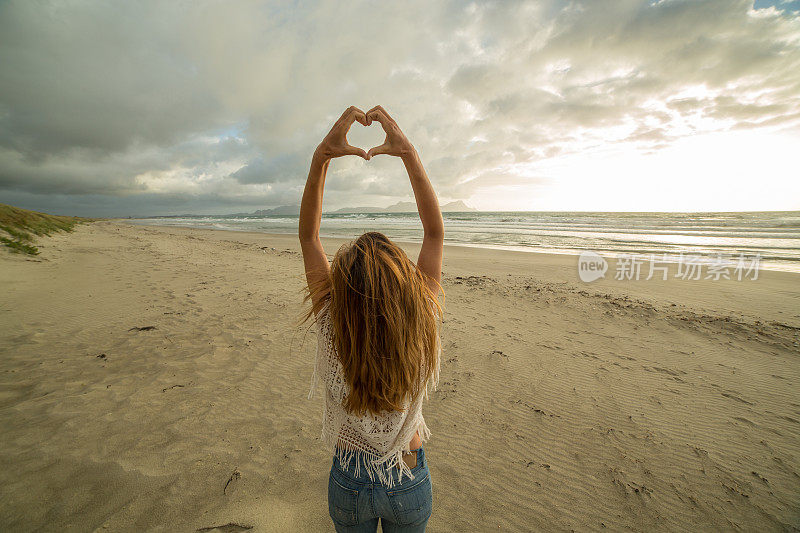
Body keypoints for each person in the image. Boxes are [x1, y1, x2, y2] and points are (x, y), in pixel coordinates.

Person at [299, 105, 445, 532]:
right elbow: (434, 232)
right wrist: (408, 153)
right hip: (406, 471)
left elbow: (309, 235)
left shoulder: (332, 320)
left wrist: (321, 157)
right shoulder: (421, 318)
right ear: (404, 285)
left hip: (349, 479)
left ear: (345, 286)